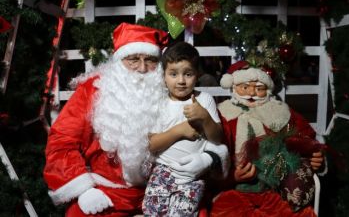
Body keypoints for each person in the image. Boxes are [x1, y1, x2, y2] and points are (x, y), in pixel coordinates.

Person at [43, 23, 228, 216]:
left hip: (170, 184)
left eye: (150, 60)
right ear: (119, 60)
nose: (142, 68)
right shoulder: (96, 89)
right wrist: (84, 189)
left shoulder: (172, 87)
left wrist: (208, 158)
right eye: (133, 59)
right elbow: (61, 141)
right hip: (110, 191)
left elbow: (218, 134)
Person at [210, 60, 325, 217]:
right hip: (233, 190)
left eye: (258, 88)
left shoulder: (281, 112)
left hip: (275, 191)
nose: (251, 93)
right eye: (245, 87)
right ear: (234, 86)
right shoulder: (221, 115)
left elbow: (305, 139)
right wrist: (231, 177)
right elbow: (209, 157)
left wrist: (315, 156)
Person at [142, 42, 229, 216]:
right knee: (152, 211)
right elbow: (151, 145)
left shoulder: (204, 99)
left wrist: (204, 117)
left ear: (197, 75)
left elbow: (218, 139)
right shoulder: (159, 103)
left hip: (192, 175)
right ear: (164, 76)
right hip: (162, 170)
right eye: (173, 74)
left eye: (188, 74)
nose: (181, 81)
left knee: (182, 213)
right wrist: (180, 130)